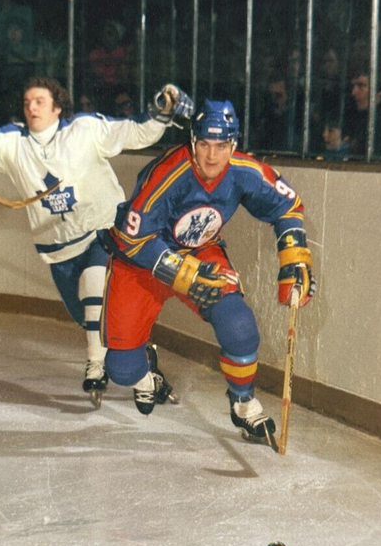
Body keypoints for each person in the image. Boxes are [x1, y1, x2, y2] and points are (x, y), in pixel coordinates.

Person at [0, 76, 193, 403]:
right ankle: (146, 373)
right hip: (59, 250)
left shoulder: (84, 129)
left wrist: (161, 113)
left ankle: (96, 367)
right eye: (27, 102)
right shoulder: (12, 143)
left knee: (96, 288)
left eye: (39, 101)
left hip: (104, 233)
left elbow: (133, 131)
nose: (31, 107)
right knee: (92, 319)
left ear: (57, 106)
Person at [101, 100, 315, 450]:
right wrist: (184, 274)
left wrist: (294, 257)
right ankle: (147, 373)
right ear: (192, 141)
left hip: (199, 252)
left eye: (221, 146)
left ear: (233, 145)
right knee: (121, 369)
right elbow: (131, 237)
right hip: (141, 261)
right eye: (204, 144)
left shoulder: (244, 170)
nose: (212, 156)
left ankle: (243, 402)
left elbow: (287, 206)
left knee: (239, 326)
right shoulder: (168, 173)